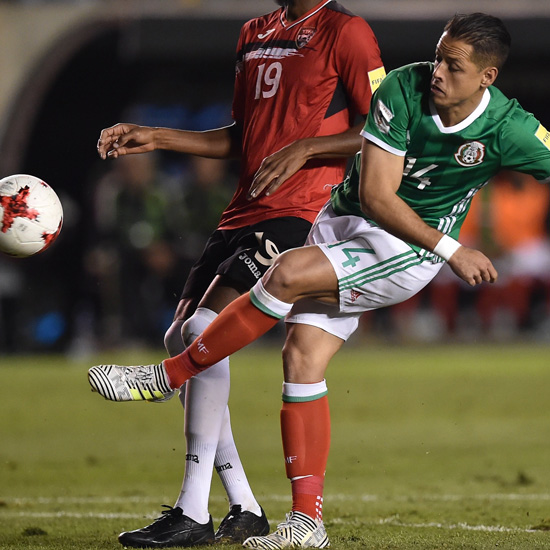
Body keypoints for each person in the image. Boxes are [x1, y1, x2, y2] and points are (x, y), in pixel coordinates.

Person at [89, 11, 550, 550]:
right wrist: (456, 250)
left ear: (486, 78)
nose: (438, 71)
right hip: (347, 219)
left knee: (284, 274)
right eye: (439, 54)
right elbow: (376, 193)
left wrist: (450, 249)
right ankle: (306, 523)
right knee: (302, 358)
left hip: (406, 247)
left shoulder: (511, 128)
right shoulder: (404, 85)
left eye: (454, 65)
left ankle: (166, 378)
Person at [94, 0, 385, 547]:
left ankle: (192, 512)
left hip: (303, 209)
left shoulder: (347, 33)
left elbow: (384, 131)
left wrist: (308, 149)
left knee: (202, 331)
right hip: (243, 208)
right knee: (179, 335)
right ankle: (245, 507)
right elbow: (241, 136)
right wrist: (159, 136)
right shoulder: (254, 32)